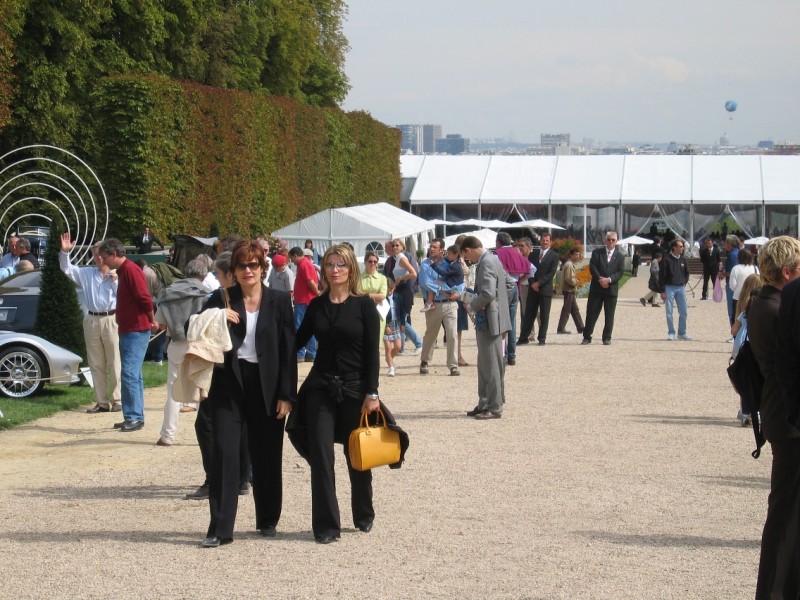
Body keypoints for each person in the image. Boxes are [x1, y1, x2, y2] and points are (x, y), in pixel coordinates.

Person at [199, 240, 296, 548]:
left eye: (253, 264)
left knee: (267, 454)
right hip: (229, 383)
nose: (248, 270)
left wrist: (287, 394)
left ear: (262, 267)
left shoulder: (279, 300)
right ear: (234, 271)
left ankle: (267, 518)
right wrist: (217, 317)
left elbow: (288, 351)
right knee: (225, 454)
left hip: (267, 386)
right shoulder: (221, 298)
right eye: (241, 266)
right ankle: (220, 528)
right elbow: (191, 325)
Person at [291, 244, 384, 544]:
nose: (335, 270)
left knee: (358, 454)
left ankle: (363, 512)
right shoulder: (317, 306)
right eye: (330, 264)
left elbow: (372, 353)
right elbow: (296, 341)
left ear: (351, 269)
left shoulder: (364, 306)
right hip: (321, 387)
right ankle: (327, 526)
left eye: (341, 264)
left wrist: (373, 392)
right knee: (321, 456)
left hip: (356, 389)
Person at [747, 236, 800, 598]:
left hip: (780, 413)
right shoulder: (776, 309)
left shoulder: (764, 301)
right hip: (788, 418)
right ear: (786, 272)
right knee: (785, 516)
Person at [185, 252, 252, 502]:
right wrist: (219, 315)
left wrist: (217, 314)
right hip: (239, 370)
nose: (216, 278)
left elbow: (188, 326)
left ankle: (216, 479)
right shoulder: (228, 297)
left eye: (219, 274)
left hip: (225, 370)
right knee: (239, 424)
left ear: (229, 275)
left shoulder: (222, 296)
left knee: (207, 424)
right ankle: (241, 479)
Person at [97, 239, 157, 431]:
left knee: (129, 373)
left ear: (114, 254)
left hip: (136, 329)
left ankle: (134, 417)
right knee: (134, 374)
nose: (103, 261)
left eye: (105, 257)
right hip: (129, 328)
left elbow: (144, 298)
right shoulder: (124, 271)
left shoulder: (130, 270)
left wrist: (152, 320)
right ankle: (134, 415)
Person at [59, 233, 121, 414]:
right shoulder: (86, 273)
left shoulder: (118, 274)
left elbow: (124, 297)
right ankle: (102, 402)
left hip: (112, 318)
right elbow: (66, 268)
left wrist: (115, 281)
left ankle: (117, 399)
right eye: (95, 255)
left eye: (101, 255)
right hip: (92, 319)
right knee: (96, 362)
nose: (99, 258)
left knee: (114, 361)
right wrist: (65, 252)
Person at [153, 258, 210, 447]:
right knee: (203, 389)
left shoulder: (168, 292)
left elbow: (161, 325)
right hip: (200, 345)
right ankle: (207, 435)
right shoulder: (207, 294)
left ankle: (167, 436)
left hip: (177, 344)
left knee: (173, 391)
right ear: (204, 275)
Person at [459, 236, 511, 420]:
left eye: (466, 257)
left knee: (491, 365)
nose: (468, 261)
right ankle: (485, 402)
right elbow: (509, 284)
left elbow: (488, 294)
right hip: (493, 318)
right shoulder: (493, 259)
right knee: (485, 364)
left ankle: (494, 406)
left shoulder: (487, 262)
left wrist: (471, 304)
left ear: (468, 250)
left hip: (490, 321)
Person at [418, 238, 463, 376]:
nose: (431, 249)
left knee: (452, 334)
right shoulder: (425, 265)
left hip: (450, 303)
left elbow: (460, 280)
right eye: (431, 247)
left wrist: (459, 292)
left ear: (442, 250)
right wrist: (444, 289)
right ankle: (425, 361)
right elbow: (426, 283)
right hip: (434, 305)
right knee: (431, 335)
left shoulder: (451, 263)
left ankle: (453, 365)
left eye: (435, 247)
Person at [581, 231, 625, 346]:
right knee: (591, 313)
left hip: (611, 289)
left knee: (609, 315)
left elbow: (620, 272)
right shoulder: (597, 253)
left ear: (616, 242)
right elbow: (593, 267)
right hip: (597, 288)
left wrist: (609, 280)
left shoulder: (620, 257)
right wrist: (600, 279)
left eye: (613, 240)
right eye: (609, 239)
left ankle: (607, 337)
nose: (610, 242)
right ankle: (587, 336)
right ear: (605, 240)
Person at [518, 233, 560, 346]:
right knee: (528, 314)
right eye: (543, 240)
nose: (545, 242)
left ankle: (542, 338)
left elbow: (551, 273)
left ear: (550, 242)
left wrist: (539, 283)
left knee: (544, 315)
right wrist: (532, 283)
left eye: (547, 240)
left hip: (545, 289)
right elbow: (529, 269)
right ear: (540, 241)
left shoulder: (554, 256)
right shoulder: (534, 254)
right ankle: (523, 338)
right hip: (533, 288)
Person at [730, 273, 761, 427]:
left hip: (740, 347)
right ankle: (756, 411)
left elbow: (733, 331)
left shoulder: (743, 308)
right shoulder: (761, 310)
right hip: (754, 348)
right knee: (756, 380)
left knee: (743, 381)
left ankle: (744, 411)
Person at [494, 232, 530, 365]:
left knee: (501, 322)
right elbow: (531, 269)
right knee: (512, 321)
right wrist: (520, 279)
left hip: (502, 288)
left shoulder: (497, 254)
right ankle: (512, 355)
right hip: (515, 286)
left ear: (498, 242)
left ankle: (503, 354)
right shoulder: (516, 253)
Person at [383, 238, 419, 354]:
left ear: (402, 247)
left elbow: (414, 273)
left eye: (396, 245)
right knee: (400, 320)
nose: (394, 248)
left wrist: (400, 279)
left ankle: (418, 343)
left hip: (405, 292)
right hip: (397, 292)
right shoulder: (394, 259)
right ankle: (401, 347)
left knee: (403, 320)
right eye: (393, 246)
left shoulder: (403, 257)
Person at [289, 246, 321, 362]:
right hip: (305, 299)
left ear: (295, 255)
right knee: (309, 326)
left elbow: (310, 281)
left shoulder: (304, 265)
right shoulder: (305, 264)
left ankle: (300, 353)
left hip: (304, 300)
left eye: (292, 258)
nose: (292, 261)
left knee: (299, 326)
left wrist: (317, 294)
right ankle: (310, 353)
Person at [658, 239, 692, 341]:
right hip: (669, 287)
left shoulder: (682, 259)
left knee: (683, 311)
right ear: (674, 248)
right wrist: (662, 290)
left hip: (680, 287)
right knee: (669, 312)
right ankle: (671, 332)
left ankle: (682, 332)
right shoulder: (666, 259)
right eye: (680, 246)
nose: (682, 248)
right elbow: (662, 275)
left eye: (682, 246)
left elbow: (687, 272)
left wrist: (684, 281)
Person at [421, 245, 463, 311]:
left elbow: (444, 273)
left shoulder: (455, 266)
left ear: (456, 254)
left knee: (433, 283)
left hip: (452, 286)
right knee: (435, 283)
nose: (447, 256)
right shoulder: (454, 262)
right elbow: (445, 259)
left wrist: (434, 265)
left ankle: (430, 302)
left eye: (449, 254)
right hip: (453, 285)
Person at [360, 250, 388, 348]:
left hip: (378, 313)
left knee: (376, 344)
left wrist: (366, 295)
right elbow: (356, 294)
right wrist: (374, 297)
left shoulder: (382, 278)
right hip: (362, 312)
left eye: (375, 261)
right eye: (370, 261)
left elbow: (382, 296)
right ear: (365, 262)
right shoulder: (358, 278)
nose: (373, 263)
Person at [556, 248, 585, 335]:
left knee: (575, 310)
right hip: (568, 290)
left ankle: (581, 327)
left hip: (570, 290)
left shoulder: (569, 264)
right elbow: (569, 278)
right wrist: (577, 282)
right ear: (571, 255)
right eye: (576, 255)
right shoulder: (569, 264)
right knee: (567, 309)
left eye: (578, 255)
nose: (577, 256)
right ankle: (561, 328)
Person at [729, 249, 758, 319]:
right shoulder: (755, 268)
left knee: (736, 318)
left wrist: (738, 288)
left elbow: (732, 285)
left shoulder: (735, 269)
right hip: (752, 297)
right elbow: (758, 282)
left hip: (738, 297)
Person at [383, 278, 401, 376]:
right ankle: (391, 367)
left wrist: (403, 324)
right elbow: (380, 313)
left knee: (398, 347)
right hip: (386, 324)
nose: (390, 292)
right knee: (388, 348)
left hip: (396, 323)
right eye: (388, 290)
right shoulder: (382, 299)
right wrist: (386, 325)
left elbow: (402, 311)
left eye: (391, 289)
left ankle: (388, 358)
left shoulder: (397, 297)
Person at [723, 234, 741, 325]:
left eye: (726, 243)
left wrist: (723, 274)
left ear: (730, 244)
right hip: (741, 283)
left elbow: (733, 272)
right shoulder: (739, 252)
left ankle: (733, 329)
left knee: (731, 310)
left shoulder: (731, 255)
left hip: (732, 284)